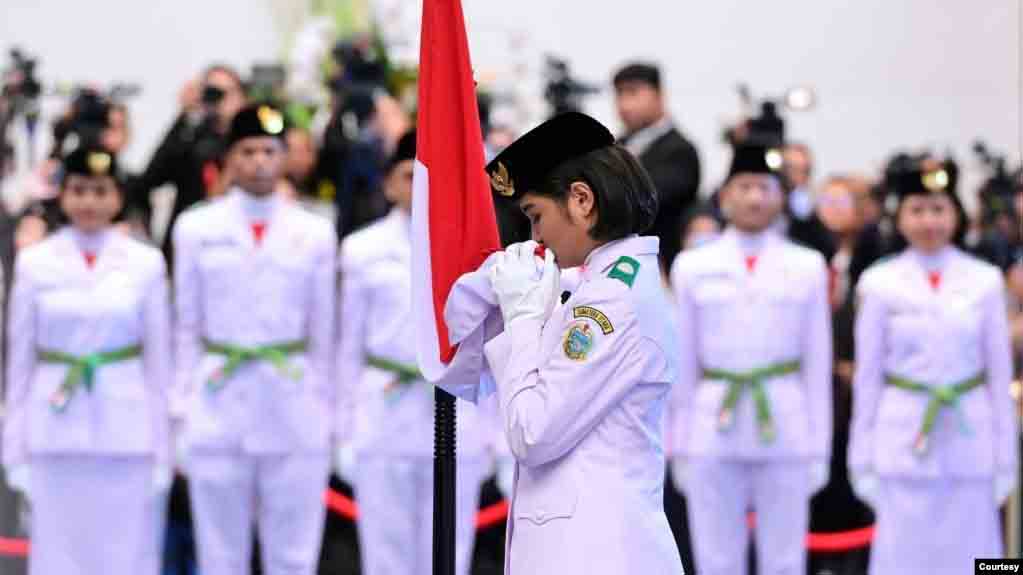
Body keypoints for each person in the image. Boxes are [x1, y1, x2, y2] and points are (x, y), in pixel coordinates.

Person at [478, 111, 682, 573]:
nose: (536, 236)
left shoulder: (609, 300)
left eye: (536, 215)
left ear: (582, 200)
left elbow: (532, 432)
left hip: (595, 552)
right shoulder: (604, 284)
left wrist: (525, 319)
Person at [172, 103, 337, 575]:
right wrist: (179, 411)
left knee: (293, 554)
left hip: (293, 402)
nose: (260, 161)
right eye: (248, 150)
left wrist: (329, 410)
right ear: (230, 159)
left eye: (270, 150)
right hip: (217, 399)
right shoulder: (196, 227)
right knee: (219, 554)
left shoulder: (314, 231)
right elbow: (185, 326)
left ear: (285, 157)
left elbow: (324, 331)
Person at [3, 143, 172, 575]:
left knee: (127, 553)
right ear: (63, 196)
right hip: (54, 428)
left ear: (117, 197)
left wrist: (164, 448)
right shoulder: (36, 262)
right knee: (58, 555)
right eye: (79, 190)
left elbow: (159, 364)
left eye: (100, 191)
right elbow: (20, 363)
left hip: (127, 430)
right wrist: (13, 447)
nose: (90, 202)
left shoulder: (145, 263)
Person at [848, 159, 1018, 575]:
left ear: (956, 214)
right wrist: (861, 455)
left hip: (969, 434)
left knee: (973, 553)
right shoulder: (879, 281)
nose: (929, 221)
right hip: (903, 433)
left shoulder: (984, 280)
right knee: (903, 556)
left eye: (939, 209)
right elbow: (868, 377)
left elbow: (999, 376)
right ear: (900, 217)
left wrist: (1005, 457)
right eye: (918, 210)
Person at [669, 141, 832, 575]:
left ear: (780, 196)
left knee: (784, 557)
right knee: (715, 556)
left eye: (765, 187)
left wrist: (819, 447)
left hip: (785, 418)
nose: (755, 198)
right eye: (744, 186)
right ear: (724, 197)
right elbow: (682, 363)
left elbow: (818, 364)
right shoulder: (692, 266)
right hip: (712, 422)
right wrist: (679, 443)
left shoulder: (808, 265)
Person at [336, 130, 492, 575]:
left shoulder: (474, 248)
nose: (419, 188)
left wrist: (495, 434)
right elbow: (349, 343)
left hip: (457, 404)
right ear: (389, 184)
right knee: (385, 552)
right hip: (383, 407)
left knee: (451, 550)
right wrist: (344, 430)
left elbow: (491, 344)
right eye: (408, 176)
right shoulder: (361, 249)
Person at [130, 64, 247, 264]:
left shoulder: (252, 143)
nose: (217, 99)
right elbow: (151, 179)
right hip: (188, 248)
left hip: (236, 246)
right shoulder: (189, 137)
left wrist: (237, 122)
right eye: (211, 91)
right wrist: (184, 116)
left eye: (225, 92)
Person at [613, 62, 701, 278]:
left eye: (633, 92)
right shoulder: (614, 146)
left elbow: (648, 201)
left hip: (661, 269)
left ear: (660, 95)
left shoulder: (680, 150)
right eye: (619, 94)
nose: (624, 104)